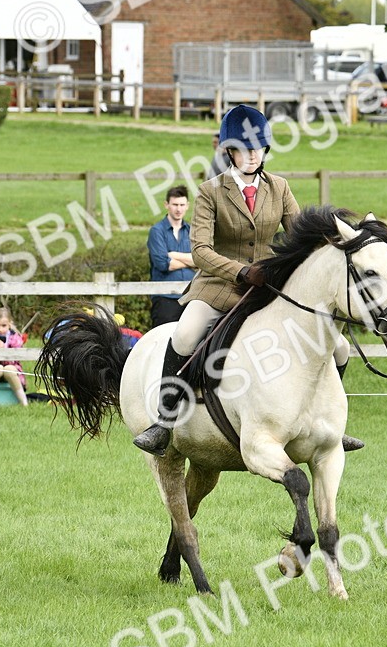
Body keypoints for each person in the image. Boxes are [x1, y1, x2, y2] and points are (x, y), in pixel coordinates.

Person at [132, 105, 361, 457]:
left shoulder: (280, 188)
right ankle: (164, 421)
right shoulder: (210, 191)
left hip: (269, 288)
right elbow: (202, 250)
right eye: (244, 147)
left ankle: (327, 424)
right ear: (230, 151)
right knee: (186, 333)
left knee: (341, 347)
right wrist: (240, 271)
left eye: (258, 147)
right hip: (219, 285)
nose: (253, 154)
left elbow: (302, 236)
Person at [147, 185, 195, 328]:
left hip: (190, 296)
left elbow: (201, 260)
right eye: (175, 204)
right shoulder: (156, 231)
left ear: (187, 206)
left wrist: (174, 255)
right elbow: (163, 264)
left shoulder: (192, 231)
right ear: (166, 205)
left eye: (182, 204)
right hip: (165, 297)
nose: (178, 209)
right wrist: (190, 260)